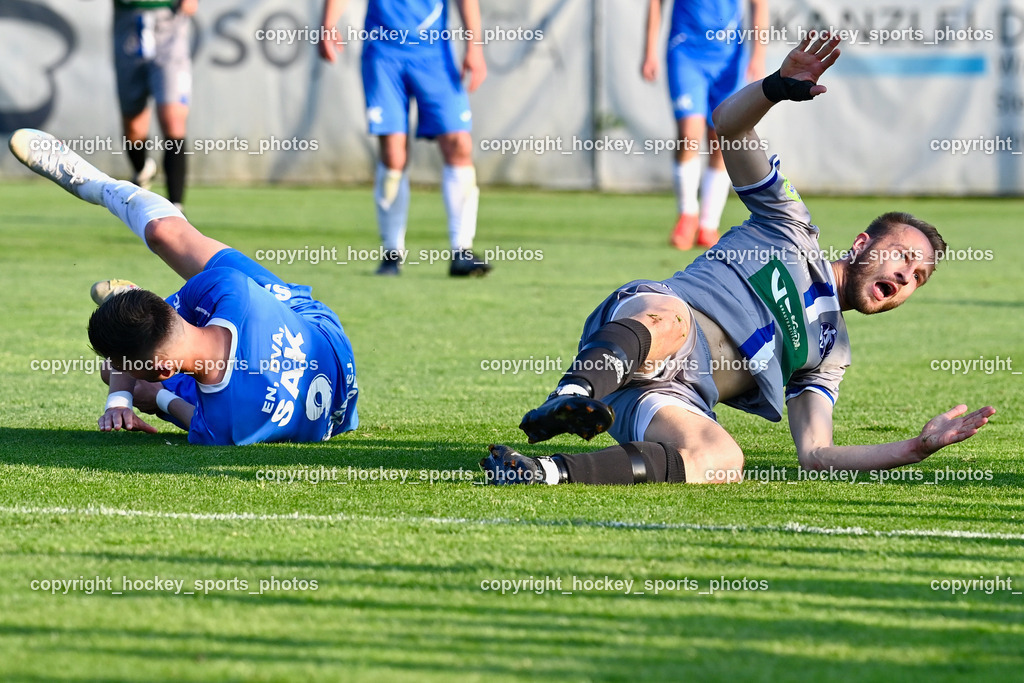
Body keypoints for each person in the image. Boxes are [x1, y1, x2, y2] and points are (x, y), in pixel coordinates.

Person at [481, 35, 995, 485]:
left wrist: (915, 449)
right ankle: (568, 393)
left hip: (663, 398)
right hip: (641, 330)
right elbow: (728, 127)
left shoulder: (830, 353)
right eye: (903, 256)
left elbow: (816, 456)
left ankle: (543, 472)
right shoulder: (790, 227)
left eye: (919, 277)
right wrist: (775, 86)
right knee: (672, 317)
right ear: (861, 244)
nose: (907, 275)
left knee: (722, 459)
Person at [9, 128, 359, 446]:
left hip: (326, 381)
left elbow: (198, 422)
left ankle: (126, 302)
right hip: (326, 343)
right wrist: (123, 396)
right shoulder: (229, 290)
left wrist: (150, 397)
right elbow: (198, 416)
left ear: (163, 371)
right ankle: (99, 186)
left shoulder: (224, 427)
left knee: (110, 370)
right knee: (163, 238)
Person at [318, 0, 491, 277]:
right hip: (384, 54)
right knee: (393, 153)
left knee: (459, 144)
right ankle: (391, 253)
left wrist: (475, 46)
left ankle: (462, 250)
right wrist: (327, 24)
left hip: (435, 55)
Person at [642, 0, 768, 250]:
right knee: (689, 133)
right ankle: (687, 214)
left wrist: (758, 55)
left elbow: (759, 5)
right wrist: (649, 51)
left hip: (729, 59)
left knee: (722, 136)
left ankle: (709, 224)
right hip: (686, 53)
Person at [110, 0, 197, 211]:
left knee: (173, 119)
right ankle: (141, 171)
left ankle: (176, 206)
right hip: (129, 25)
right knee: (134, 128)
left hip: (169, 25)